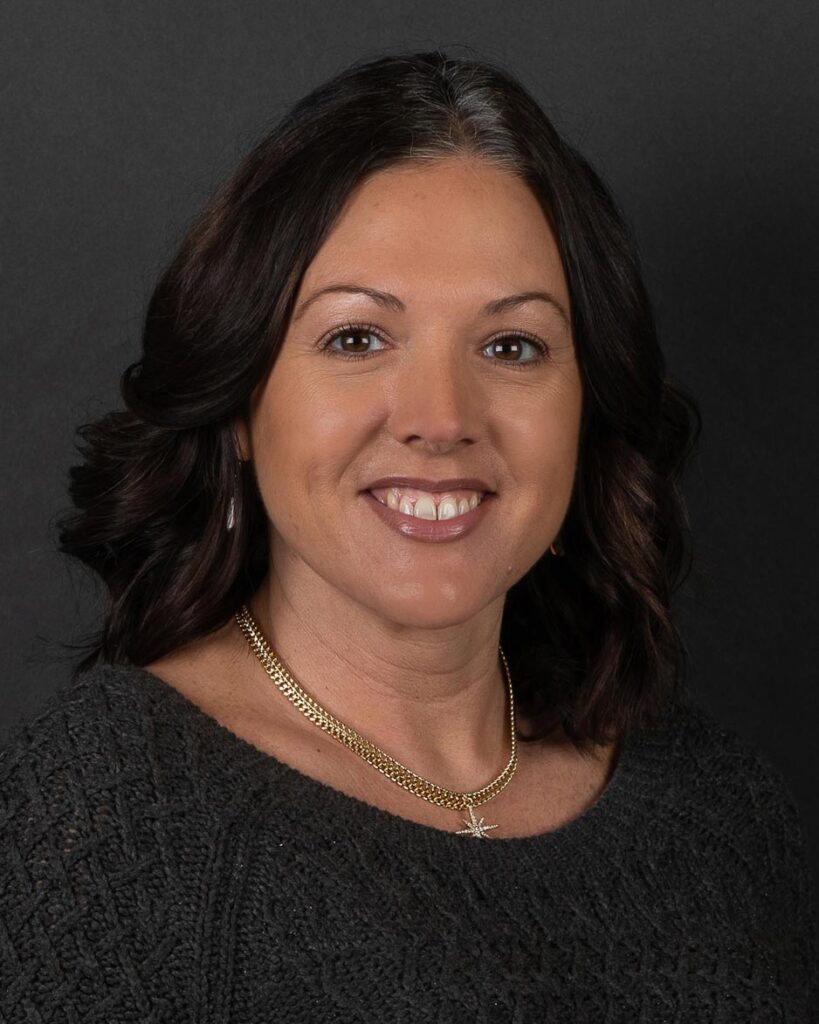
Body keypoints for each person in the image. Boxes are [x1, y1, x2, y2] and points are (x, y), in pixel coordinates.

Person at [1, 49, 816, 1022]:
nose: (440, 416)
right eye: (357, 338)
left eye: (512, 345)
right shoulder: (96, 829)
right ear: (237, 411)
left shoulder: (725, 816)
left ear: (587, 414)